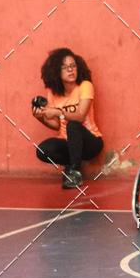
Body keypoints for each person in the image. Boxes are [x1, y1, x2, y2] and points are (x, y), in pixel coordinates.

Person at [32, 47, 103, 189]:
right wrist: (41, 117)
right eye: (65, 67)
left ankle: (74, 172)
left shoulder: (85, 86)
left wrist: (58, 112)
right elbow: (57, 125)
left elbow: (81, 115)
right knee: (42, 149)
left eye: (72, 66)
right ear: (57, 72)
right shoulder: (53, 93)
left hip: (91, 141)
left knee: (73, 125)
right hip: (68, 142)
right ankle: (71, 165)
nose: (70, 70)